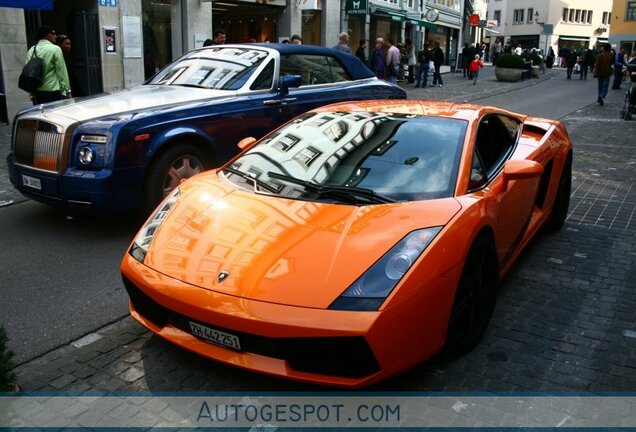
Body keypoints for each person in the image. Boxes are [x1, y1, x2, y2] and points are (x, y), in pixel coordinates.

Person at [24, 25, 71, 104]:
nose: (55, 36)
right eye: (53, 33)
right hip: (52, 91)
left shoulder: (32, 50)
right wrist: (67, 91)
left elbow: (28, 73)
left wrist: (31, 92)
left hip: (37, 92)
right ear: (47, 35)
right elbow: (62, 72)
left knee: (41, 115)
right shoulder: (55, 49)